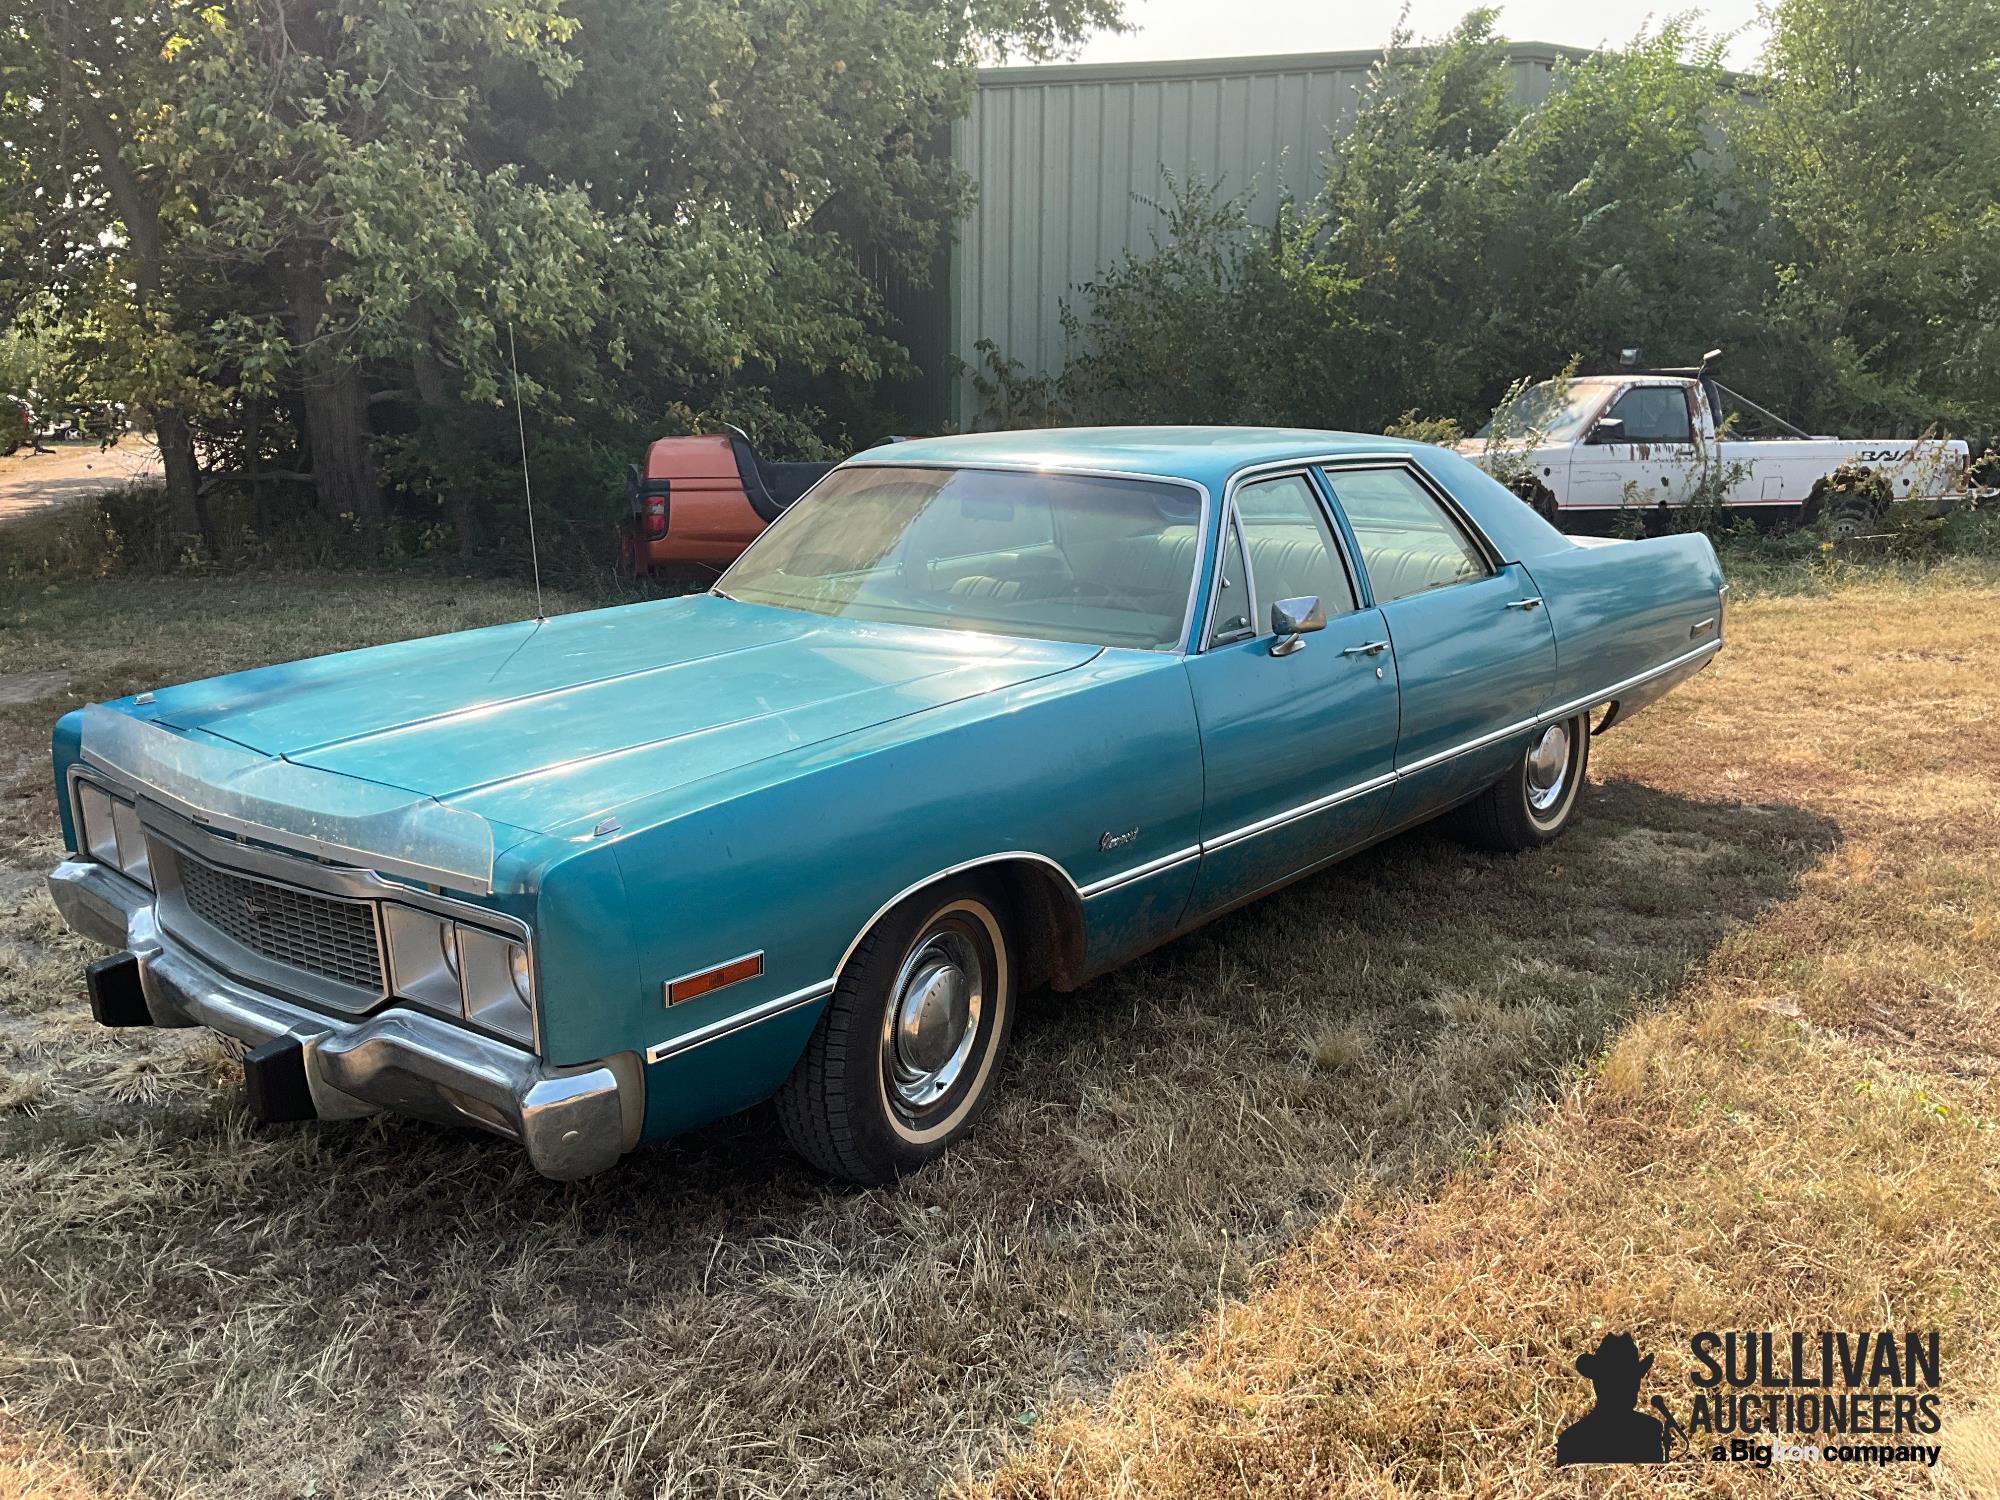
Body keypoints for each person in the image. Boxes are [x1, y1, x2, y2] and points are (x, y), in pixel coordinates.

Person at [1555, 1333, 1668, 1465]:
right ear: (1600, 1384)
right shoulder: (1649, 1431)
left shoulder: (1571, 1439)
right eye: (1625, 1381)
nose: (1634, 1387)